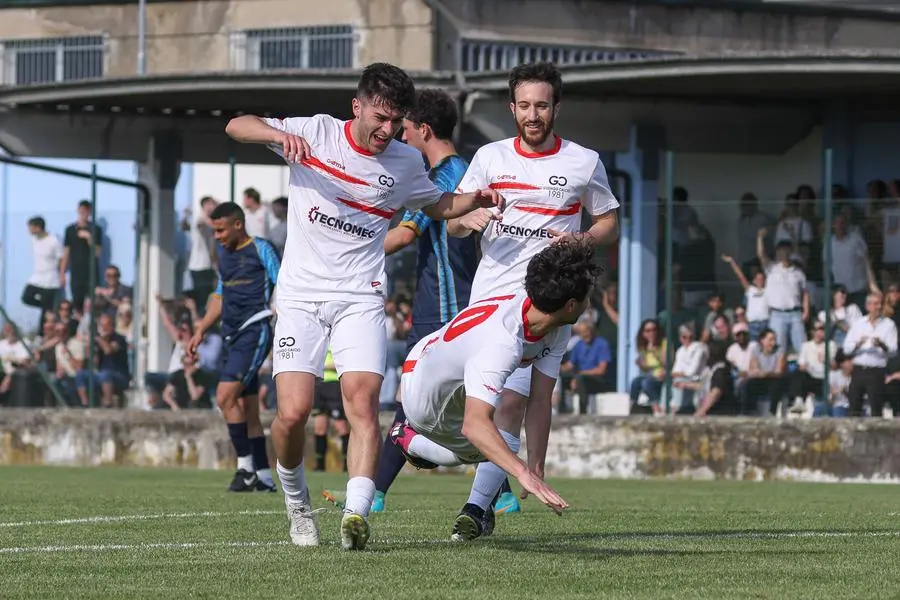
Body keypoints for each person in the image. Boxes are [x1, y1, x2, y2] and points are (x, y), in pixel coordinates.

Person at [223, 62, 503, 550]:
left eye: (396, 121)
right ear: (357, 106)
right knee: (293, 414)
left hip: (360, 295)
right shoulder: (316, 133)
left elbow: (437, 205)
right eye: (379, 116)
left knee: (363, 401)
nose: (387, 130)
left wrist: (474, 199)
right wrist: (274, 134)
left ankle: (355, 516)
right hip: (300, 297)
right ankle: (297, 504)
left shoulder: (404, 163)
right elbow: (234, 125)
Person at [445, 61, 619, 520]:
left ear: (556, 108)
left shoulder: (583, 161)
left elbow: (609, 224)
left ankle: (477, 508)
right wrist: (468, 219)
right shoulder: (490, 158)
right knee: (467, 407)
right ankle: (428, 458)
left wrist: (580, 239)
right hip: (487, 300)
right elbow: (455, 224)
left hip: (541, 304)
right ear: (512, 108)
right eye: (524, 105)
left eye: (541, 105)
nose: (533, 114)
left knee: (515, 400)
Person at [391, 241, 597, 541]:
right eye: (587, 296)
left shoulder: (554, 324)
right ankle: (407, 439)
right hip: (422, 400)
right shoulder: (502, 343)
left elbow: (540, 399)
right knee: (485, 447)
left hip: (434, 360)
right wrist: (521, 472)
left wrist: (536, 466)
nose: (589, 302)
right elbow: (474, 425)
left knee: (502, 434)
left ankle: (474, 511)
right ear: (570, 305)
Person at [372, 88, 478, 513]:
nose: (399, 137)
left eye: (406, 129)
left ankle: (372, 494)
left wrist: (343, 244)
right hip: (442, 303)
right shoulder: (459, 171)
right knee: (451, 406)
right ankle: (500, 494)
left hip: (445, 307)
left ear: (425, 130)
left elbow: (402, 235)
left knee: (412, 402)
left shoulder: (444, 179)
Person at [187, 202, 280, 493]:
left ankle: (245, 469)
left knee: (225, 397)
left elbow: (284, 282)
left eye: (220, 230)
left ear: (238, 225)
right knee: (247, 408)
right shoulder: (224, 255)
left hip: (255, 329)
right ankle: (264, 476)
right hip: (231, 335)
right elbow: (220, 294)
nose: (216, 236)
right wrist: (201, 328)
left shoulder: (262, 248)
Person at [313, 348, 350, 472]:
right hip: (320, 384)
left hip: (335, 385)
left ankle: (347, 464)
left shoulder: (337, 336)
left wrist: (329, 366)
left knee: (341, 426)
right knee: (319, 426)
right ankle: (320, 466)